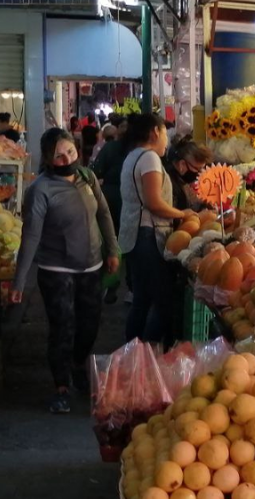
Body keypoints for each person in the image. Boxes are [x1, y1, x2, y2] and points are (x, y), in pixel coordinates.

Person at [11, 128, 120, 414]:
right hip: (55, 270)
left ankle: (77, 364)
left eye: (70, 152)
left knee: (89, 325)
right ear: (48, 159)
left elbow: (104, 214)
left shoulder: (88, 177)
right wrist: (19, 283)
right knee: (63, 327)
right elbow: (31, 236)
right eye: (59, 156)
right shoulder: (40, 190)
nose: (66, 158)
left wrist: (113, 249)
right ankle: (61, 386)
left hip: (92, 265)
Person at [119, 113, 185, 346]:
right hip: (147, 235)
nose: (166, 140)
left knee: (142, 299)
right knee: (164, 301)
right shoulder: (149, 159)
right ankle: (146, 351)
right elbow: (153, 202)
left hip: (134, 235)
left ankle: (132, 353)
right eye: (165, 133)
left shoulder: (132, 156)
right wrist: (183, 214)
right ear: (156, 132)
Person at [91, 117, 130, 304]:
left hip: (110, 197)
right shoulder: (138, 151)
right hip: (128, 199)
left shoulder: (109, 148)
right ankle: (127, 285)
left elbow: (96, 169)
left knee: (109, 240)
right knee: (124, 241)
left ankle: (110, 284)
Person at [165, 134, 213, 211]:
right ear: (182, 164)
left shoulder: (181, 181)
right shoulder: (169, 182)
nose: (200, 173)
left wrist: (205, 205)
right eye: (197, 169)